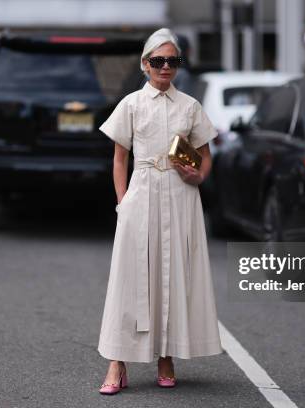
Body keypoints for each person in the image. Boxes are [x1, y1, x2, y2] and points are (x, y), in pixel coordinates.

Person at [97, 27, 223, 395]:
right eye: (158, 61)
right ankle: (116, 362)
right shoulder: (131, 105)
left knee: (173, 275)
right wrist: (123, 203)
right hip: (142, 191)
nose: (165, 67)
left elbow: (206, 156)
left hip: (181, 196)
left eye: (172, 61)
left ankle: (166, 357)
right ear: (145, 64)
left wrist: (197, 175)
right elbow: (120, 159)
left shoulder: (190, 106)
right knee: (130, 278)